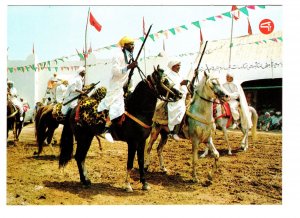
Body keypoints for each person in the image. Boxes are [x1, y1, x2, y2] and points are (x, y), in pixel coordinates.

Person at [97, 36, 138, 143]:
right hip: (115, 86)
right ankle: (106, 129)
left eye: (133, 44)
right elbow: (115, 71)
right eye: (130, 44)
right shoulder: (118, 55)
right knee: (116, 106)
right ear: (124, 46)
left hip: (124, 86)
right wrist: (129, 67)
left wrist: (130, 84)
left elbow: (128, 75)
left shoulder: (129, 57)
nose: (133, 46)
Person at [165, 60, 189, 141]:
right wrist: (180, 84)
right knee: (181, 110)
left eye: (179, 65)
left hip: (183, 99)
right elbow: (170, 87)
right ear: (173, 66)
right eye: (177, 65)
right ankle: (173, 132)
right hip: (174, 99)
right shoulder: (168, 75)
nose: (179, 67)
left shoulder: (179, 75)